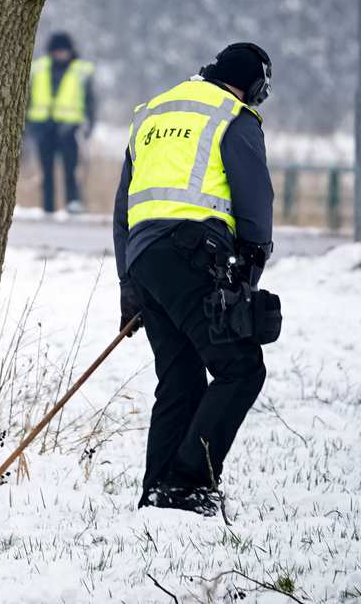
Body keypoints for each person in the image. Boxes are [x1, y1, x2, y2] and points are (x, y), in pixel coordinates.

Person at [113, 43, 281, 516]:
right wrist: (252, 260)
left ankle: (158, 491)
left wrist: (129, 284)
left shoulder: (152, 112)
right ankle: (187, 484)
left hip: (144, 258)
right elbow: (255, 196)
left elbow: (123, 206)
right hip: (193, 255)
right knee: (241, 368)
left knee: (180, 378)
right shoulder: (234, 116)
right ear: (255, 85)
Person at [25, 31, 97, 214]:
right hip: (43, 128)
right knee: (46, 173)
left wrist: (89, 125)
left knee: (71, 172)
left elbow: (90, 101)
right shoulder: (38, 68)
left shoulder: (81, 71)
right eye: (56, 51)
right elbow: (27, 98)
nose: (59, 54)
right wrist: (28, 126)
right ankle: (48, 210)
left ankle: (72, 207)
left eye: (62, 51)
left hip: (69, 130)